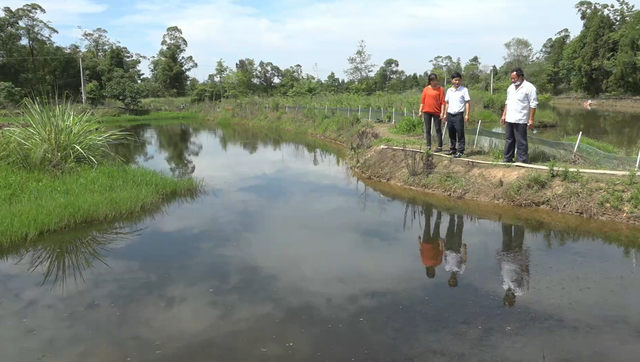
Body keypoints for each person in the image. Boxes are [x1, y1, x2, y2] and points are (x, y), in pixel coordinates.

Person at [501, 68, 538, 163]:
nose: (513, 80)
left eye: (515, 78)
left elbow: (533, 104)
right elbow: (507, 102)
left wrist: (531, 120)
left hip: (521, 119)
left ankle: (522, 160)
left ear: (521, 77)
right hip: (510, 118)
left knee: (521, 140)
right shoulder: (510, 88)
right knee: (509, 139)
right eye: (511, 78)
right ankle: (508, 158)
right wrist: (504, 115)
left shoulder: (530, 88)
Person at [496, 223, 530, 307]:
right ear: (514, 300)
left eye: (506, 298)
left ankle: (506, 221)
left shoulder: (504, 286)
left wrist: (501, 263)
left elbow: (503, 274)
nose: (508, 297)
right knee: (517, 240)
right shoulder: (521, 291)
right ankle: (519, 222)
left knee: (506, 238)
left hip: (504, 258)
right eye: (509, 299)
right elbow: (526, 276)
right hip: (516, 261)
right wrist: (524, 265)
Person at [443, 72, 471, 158]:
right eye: (455, 80)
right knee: (451, 133)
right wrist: (445, 114)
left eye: (459, 80)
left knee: (460, 133)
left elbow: (467, 102)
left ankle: (461, 151)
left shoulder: (464, 90)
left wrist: (467, 114)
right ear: (452, 80)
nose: (457, 82)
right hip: (450, 114)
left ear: (461, 80)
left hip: (458, 115)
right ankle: (452, 149)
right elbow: (447, 103)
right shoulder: (449, 90)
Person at [419, 74, 446, 152]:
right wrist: (420, 111)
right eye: (432, 80)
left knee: (438, 129)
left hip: (436, 112)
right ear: (430, 81)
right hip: (427, 111)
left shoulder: (440, 89)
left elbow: (443, 102)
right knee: (427, 129)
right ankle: (428, 146)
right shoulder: (426, 89)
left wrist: (442, 112)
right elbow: (422, 101)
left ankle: (440, 146)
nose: (434, 82)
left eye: (435, 80)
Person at [418, 205, 445, 279]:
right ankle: (439, 210)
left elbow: (421, 251)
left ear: (428, 271)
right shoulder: (438, 263)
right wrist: (441, 243)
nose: (432, 271)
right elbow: (441, 251)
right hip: (435, 242)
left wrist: (419, 242)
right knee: (437, 226)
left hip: (425, 242)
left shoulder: (424, 262)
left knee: (427, 224)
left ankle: (427, 208)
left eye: (431, 272)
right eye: (433, 272)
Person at [443, 213, 467, 287]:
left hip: (448, 248)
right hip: (456, 249)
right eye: (454, 280)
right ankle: (460, 216)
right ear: (456, 280)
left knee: (450, 229)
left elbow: (444, 256)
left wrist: (442, 244)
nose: (453, 279)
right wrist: (464, 249)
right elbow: (463, 260)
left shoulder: (446, 268)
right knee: (458, 231)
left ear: (449, 279)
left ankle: (452, 215)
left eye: (451, 280)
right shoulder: (460, 270)